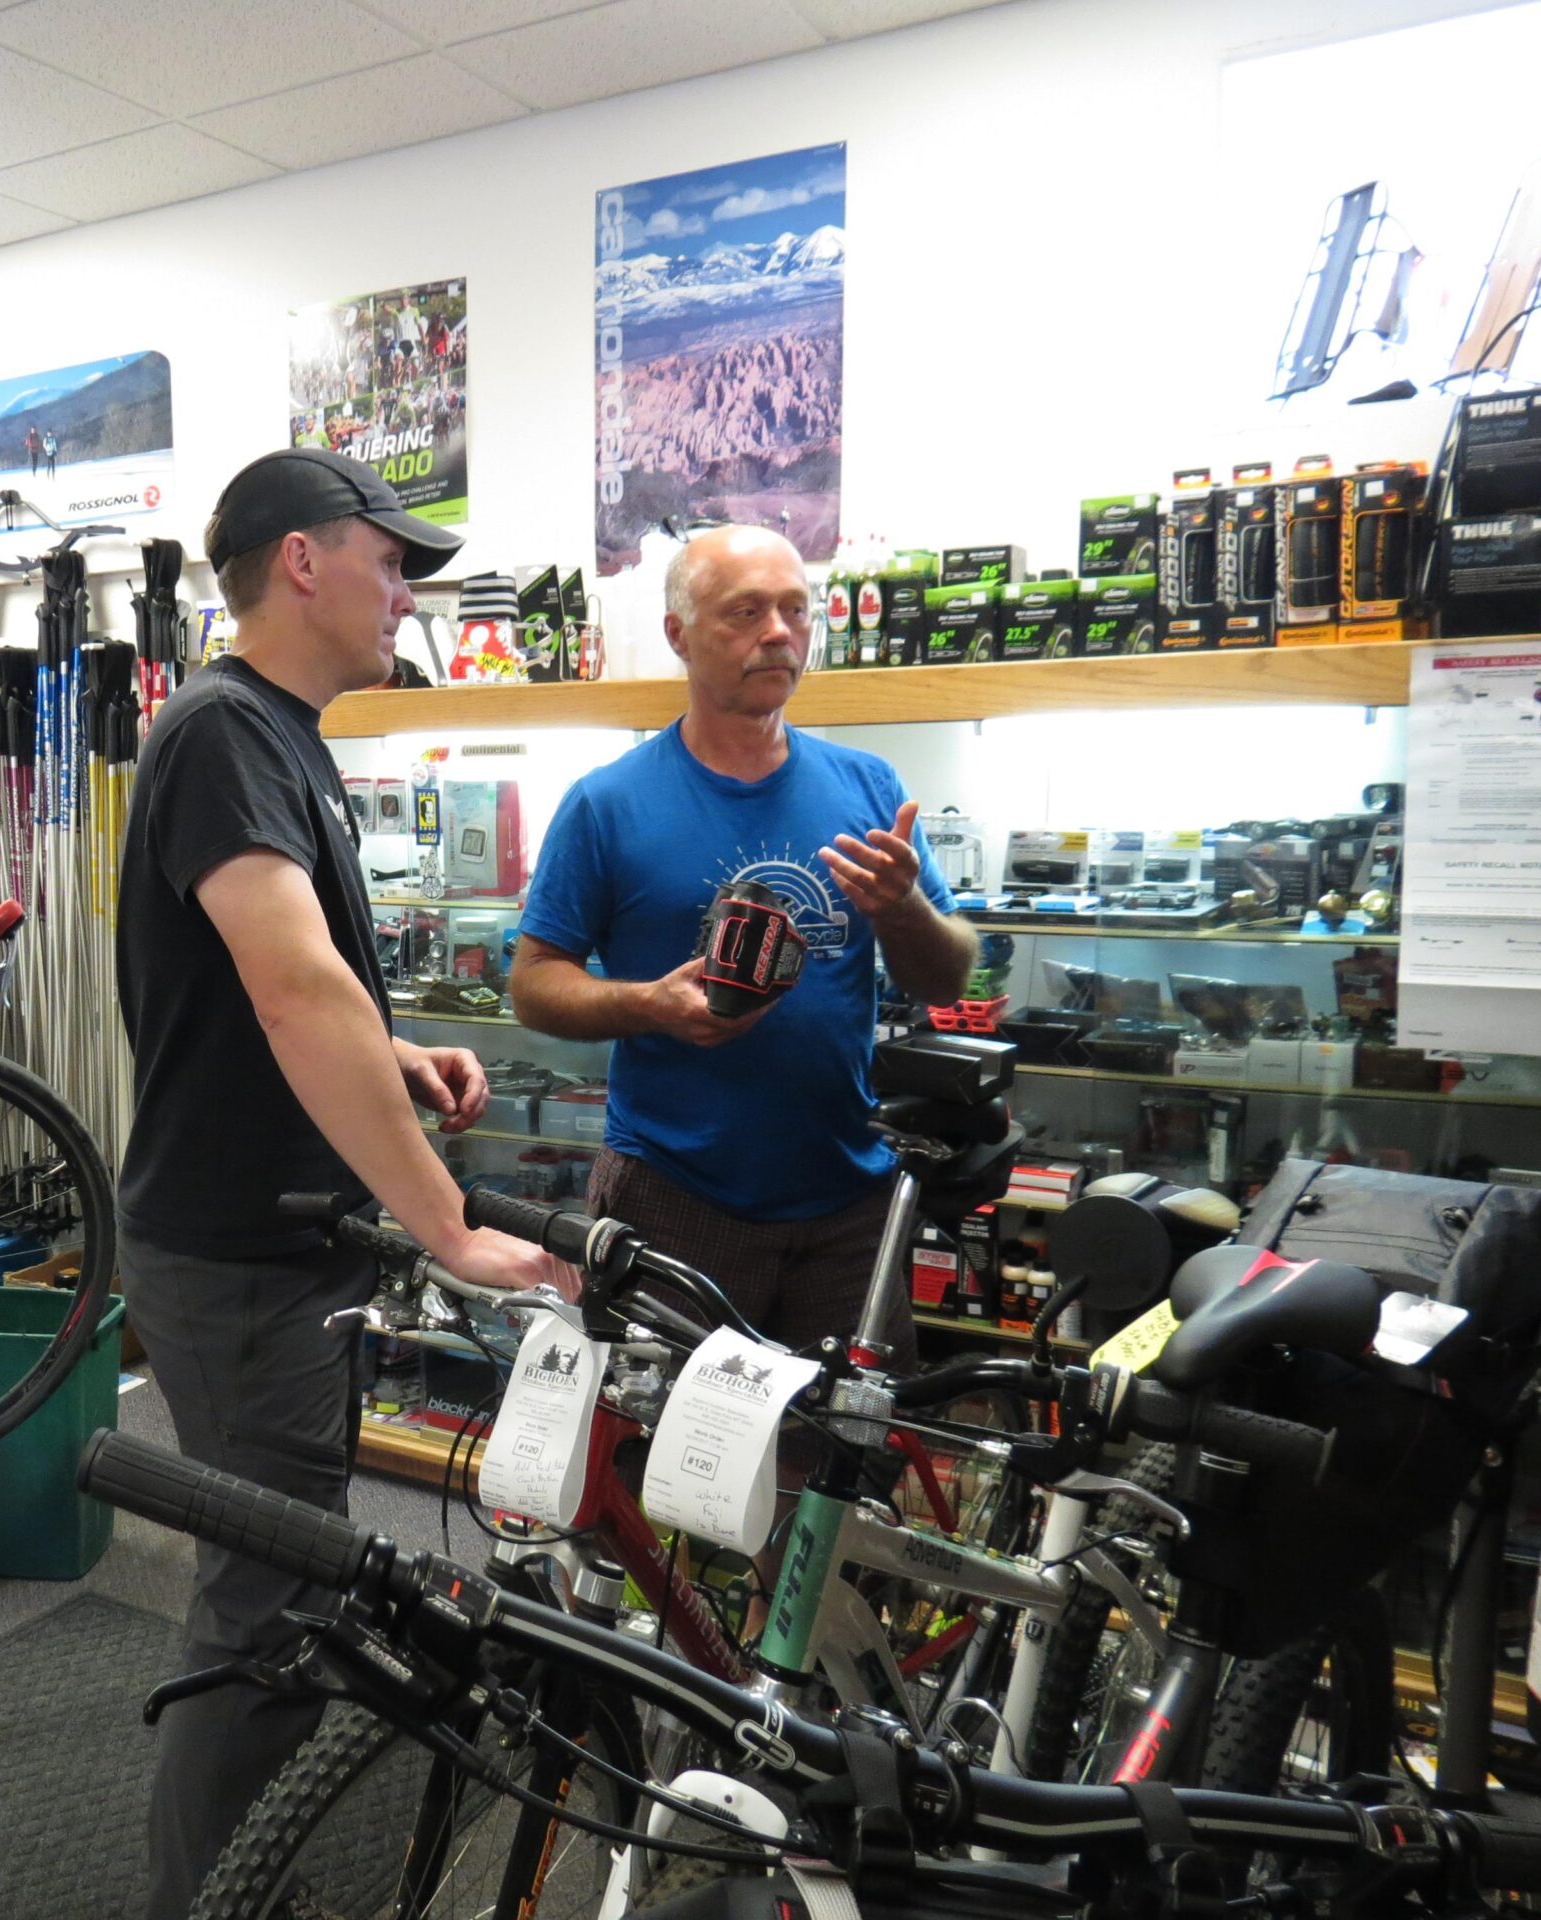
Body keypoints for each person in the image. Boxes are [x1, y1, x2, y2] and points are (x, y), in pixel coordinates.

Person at [116, 446, 569, 1919]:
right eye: (390, 560)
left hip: (275, 1250)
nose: (406, 593)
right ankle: (217, 1899)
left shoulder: (277, 733)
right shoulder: (225, 731)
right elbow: (294, 989)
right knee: (263, 1610)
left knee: (281, 1596)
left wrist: (398, 1047)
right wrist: (446, 1225)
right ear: (301, 561)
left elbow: (310, 995)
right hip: (238, 1261)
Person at [511, 524, 978, 1360]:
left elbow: (947, 973)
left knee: (846, 1468)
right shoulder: (607, 804)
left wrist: (903, 908)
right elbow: (535, 982)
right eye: (746, 612)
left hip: (849, 1200)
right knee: (666, 1470)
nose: (778, 633)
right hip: (674, 1200)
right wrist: (648, 1006)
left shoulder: (870, 787)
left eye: (796, 610)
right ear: (678, 635)